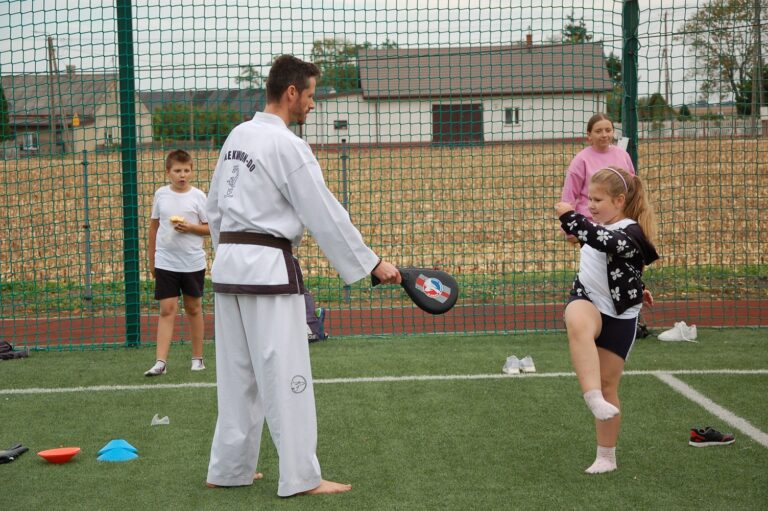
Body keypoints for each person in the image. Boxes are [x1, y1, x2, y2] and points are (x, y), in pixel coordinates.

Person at [204, 54, 400, 497]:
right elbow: (323, 211)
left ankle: (229, 468)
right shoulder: (287, 145)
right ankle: (300, 477)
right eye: (310, 94)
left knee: (237, 376)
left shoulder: (237, 136)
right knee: (286, 374)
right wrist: (371, 263)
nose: (312, 104)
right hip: (268, 272)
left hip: (230, 270)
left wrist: (228, 254)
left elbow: (214, 207)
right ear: (291, 92)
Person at [555, 166, 658, 474]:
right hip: (588, 301)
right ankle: (591, 396)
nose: (592, 205)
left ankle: (606, 457)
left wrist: (570, 216)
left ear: (619, 200)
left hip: (621, 316)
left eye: (598, 200)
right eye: (589, 199)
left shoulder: (630, 230)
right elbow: (603, 261)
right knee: (576, 319)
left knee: (609, 383)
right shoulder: (596, 227)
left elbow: (609, 244)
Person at [145, 149, 210, 376]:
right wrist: (152, 259)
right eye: (177, 171)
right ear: (168, 172)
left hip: (192, 262)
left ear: (191, 172)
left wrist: (190, 227)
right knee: (167, 309)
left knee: (193, 308)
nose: (182, 175)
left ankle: (198, 358)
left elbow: (210, 228)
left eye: (186, 170)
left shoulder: (198, 197)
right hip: (166, 262)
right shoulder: (161, 195)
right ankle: (160, 362)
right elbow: (154, 228)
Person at [561, 113, 635, 245]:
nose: (604, 135)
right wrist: (570, 229)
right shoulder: (581, 160)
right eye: (598, 131)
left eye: (608, 130)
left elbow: (633, 188)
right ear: (589, 135)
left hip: (621, 224)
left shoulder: (623, 155)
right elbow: (569, 196)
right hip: (591, 226)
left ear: (613, 132)